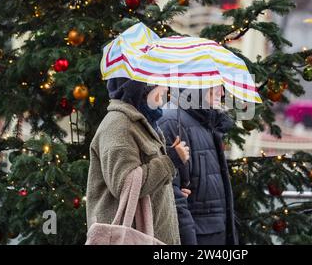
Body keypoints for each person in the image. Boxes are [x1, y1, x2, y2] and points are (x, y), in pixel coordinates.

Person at [86, 78, 189, 245]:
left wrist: (173, 191)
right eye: (160, 83)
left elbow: (147, 174)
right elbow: (126, 183)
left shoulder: (142, 123)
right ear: (142, 88)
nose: (165, 88)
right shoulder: (118, 125)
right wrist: (171, 160)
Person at [158, 86, 238, 245]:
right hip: (198, 236)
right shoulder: (173, 121)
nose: (222, 93)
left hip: (214, 235)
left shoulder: (206, 122)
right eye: (216, 86)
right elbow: (173, 198)